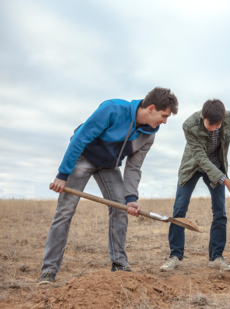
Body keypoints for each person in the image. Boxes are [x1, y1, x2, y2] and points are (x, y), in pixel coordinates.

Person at [37, 87, 178, 285]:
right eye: (163, 116)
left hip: (109, 166)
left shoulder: (149, 134)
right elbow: (80, 138)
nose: (164, 121)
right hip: (83, 158)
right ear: (151, 108)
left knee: (120, 208)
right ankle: (48, 272)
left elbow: (134, 167)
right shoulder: (112, 109)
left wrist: (131, 198)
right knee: (65, 211)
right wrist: (63, 174)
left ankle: (119, 264)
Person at [160, 99, 230, 272]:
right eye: (209, 125)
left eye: (217, 125)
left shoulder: (229, 119)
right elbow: (201, 158)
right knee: (179, 211)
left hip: (217, 167)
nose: (213, 128)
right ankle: (175, 256)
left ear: (222, 119)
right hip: (193, 167)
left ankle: (216, 257)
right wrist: (224, 180)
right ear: (202, 116)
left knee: (220, 212)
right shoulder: (189, 126)